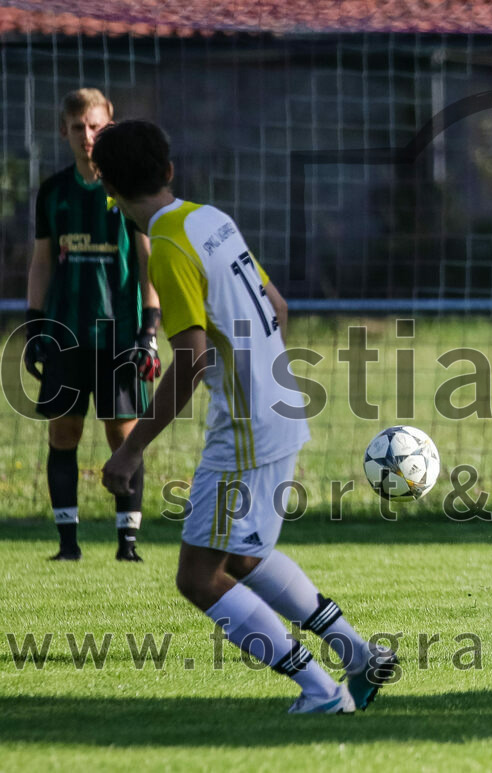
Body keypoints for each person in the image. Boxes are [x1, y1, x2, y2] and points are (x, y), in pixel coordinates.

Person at [92, 119, 398, 714]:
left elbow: (192, 358)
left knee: (199, 577)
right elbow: (278, 307)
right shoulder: (210, 219)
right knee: (242, 556)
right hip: (280, 409)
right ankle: (358, 656)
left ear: (108, 185)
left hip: (249, 429)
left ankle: (321, 691)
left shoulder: (168, 246)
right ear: (170, 171)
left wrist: (132, 448)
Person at [24, 88, 161, 562]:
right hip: (66, 333)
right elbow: (41, 261)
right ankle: (67, 546)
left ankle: (128, 546)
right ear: (63, 130)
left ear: (110, 127)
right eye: (79, 127)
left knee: (123, 435)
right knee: (63, 434)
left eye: (96, 126)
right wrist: (33, 323)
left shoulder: (126, 192)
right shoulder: (54, 192)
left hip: (120, 333)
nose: (88, 136)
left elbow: (149, 264)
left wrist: (150, 329)